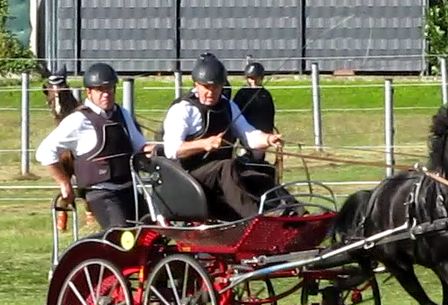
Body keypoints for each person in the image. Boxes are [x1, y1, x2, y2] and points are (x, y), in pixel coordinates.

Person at [162, 55, 284, 221]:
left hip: (222, 174)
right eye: (206, 87)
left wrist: (268, 139)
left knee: (261, 172)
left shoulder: (228, 106)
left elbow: (249, 135)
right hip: (189, 177)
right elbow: (171, 150)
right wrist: (204, 144)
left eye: (216, 87)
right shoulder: (183, 109)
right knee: (227, 166)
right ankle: (256, 219)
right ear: (196, 84)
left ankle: (294, 214)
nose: (211, 92)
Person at [36, 62, 153, 229]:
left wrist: (163, 152)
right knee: (121, 235)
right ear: (89, 92)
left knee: (154, 231)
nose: (106, 94)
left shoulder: (122, 114)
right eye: (100, 90)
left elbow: (140, 147)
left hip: (129, 189)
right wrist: (64, 183)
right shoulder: (78, 120)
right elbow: (45, 152)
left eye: (109, 89)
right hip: (102, 193)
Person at [233, 62, 276, 134]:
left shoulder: (265, 94)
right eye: (251, 78)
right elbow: (235, 112)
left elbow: (270, 113)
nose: (254, 81)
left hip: (263, 131)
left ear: (261, 77)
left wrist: (270, 129)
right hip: (247, 131)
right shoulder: (242, 93)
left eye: (256, 78)